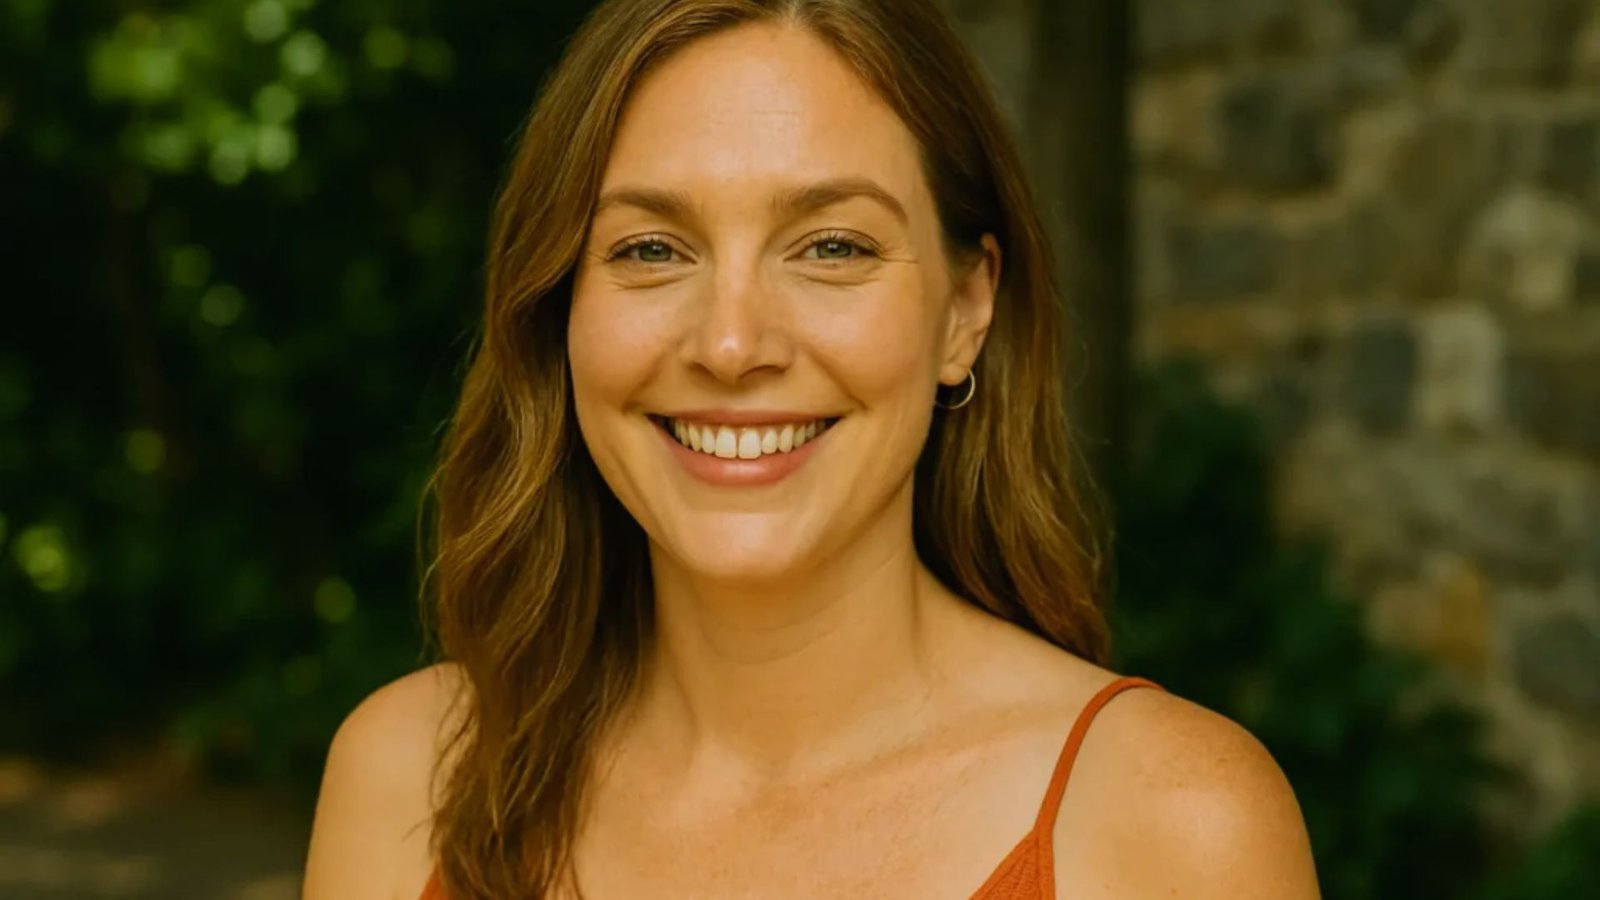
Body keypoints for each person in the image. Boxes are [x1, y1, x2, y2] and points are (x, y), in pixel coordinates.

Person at [302, 0, 1322, 897]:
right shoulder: (409, 778)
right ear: (559, 306)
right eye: (650, 249)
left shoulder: (1171, 822)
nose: (733, 344)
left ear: (965, 310)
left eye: (832, 247)